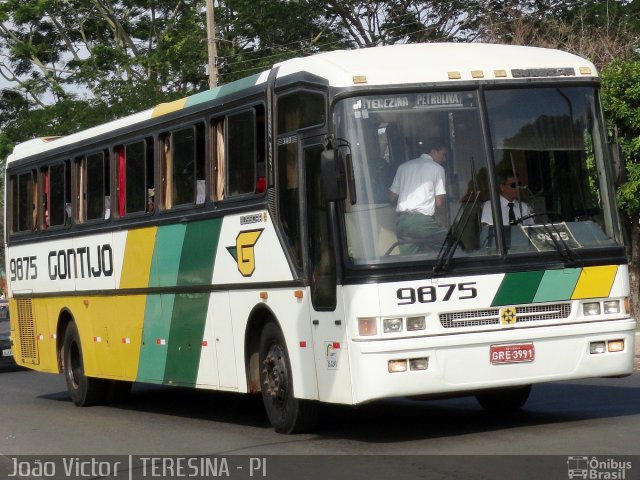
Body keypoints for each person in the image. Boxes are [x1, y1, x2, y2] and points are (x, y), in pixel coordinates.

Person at [388, 138, 448, 254]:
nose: (444, 159)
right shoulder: (438, 169)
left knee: (409, 260)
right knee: (452, 246)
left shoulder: (403, 167)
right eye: (443, 155)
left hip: (402, 222)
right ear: (433, 152)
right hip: (422, 222)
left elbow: (391, 196)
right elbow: (439, 203)